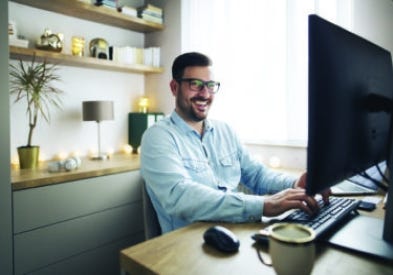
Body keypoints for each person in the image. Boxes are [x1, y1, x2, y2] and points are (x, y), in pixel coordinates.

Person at [140, 52, 329, 234]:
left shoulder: (226, 131)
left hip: (235, 231)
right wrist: (264, 205)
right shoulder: (157, 137)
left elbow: (257, 175)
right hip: (187, 243)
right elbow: (180, 197)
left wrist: (296, 183)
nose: (205, 94)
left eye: (210, 85)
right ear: (174, 87)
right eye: (195, 84)